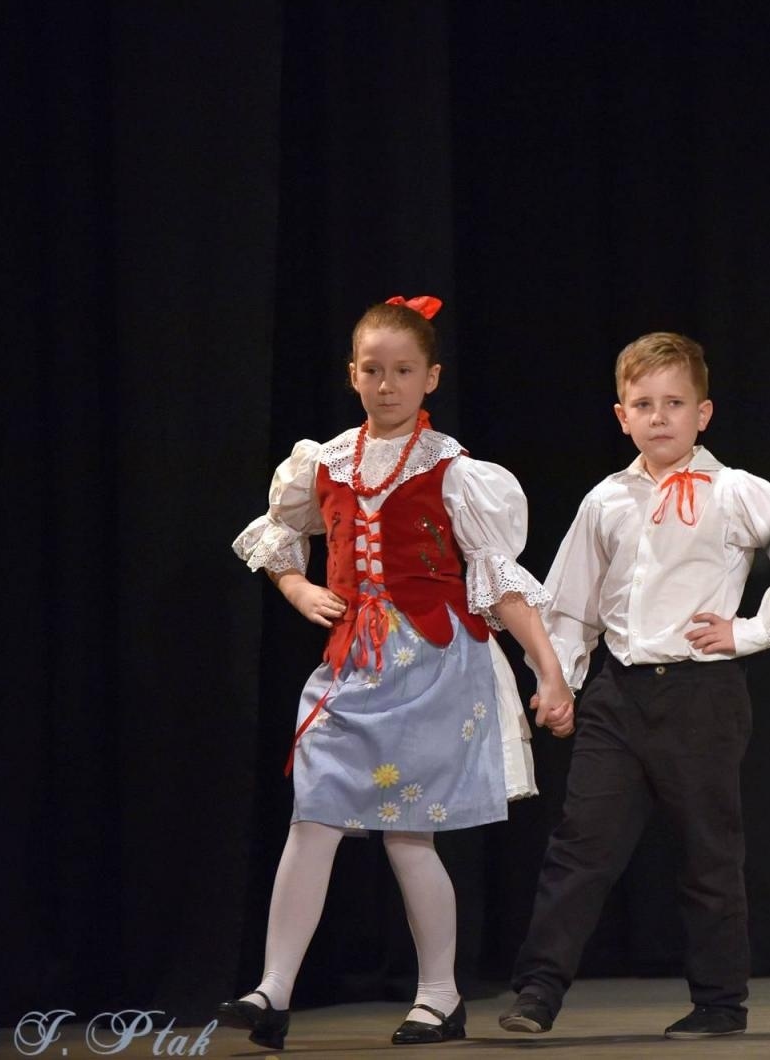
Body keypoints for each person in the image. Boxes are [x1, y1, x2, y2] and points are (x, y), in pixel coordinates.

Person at [220, 295, 573, 1050]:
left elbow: (499, 580)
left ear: (430, 376)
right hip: (353, 665)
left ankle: (440, 996)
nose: (387, 384)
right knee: (312, 815)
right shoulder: (325, 463)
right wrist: (297, 586)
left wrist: (549, 670)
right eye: (373, 370)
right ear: (353, 375)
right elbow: (281, 537)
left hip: (434, 666)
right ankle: (273, 987)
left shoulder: (451, 471)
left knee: (407, 836)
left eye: (403, 371)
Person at [498, 331, 770, 1040]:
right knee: (581, 845)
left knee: (707, 852)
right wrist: (557, 681)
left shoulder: (736, 490)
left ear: (703, 414)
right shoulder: (606, 501)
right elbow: (572, 604)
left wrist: (748, 631)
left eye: (674, 403)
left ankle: (720, 1002)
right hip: (619, 696)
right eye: (643, 404)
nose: (659, 417)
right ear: (622, 415)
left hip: (701, 696)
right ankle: (537, 990)